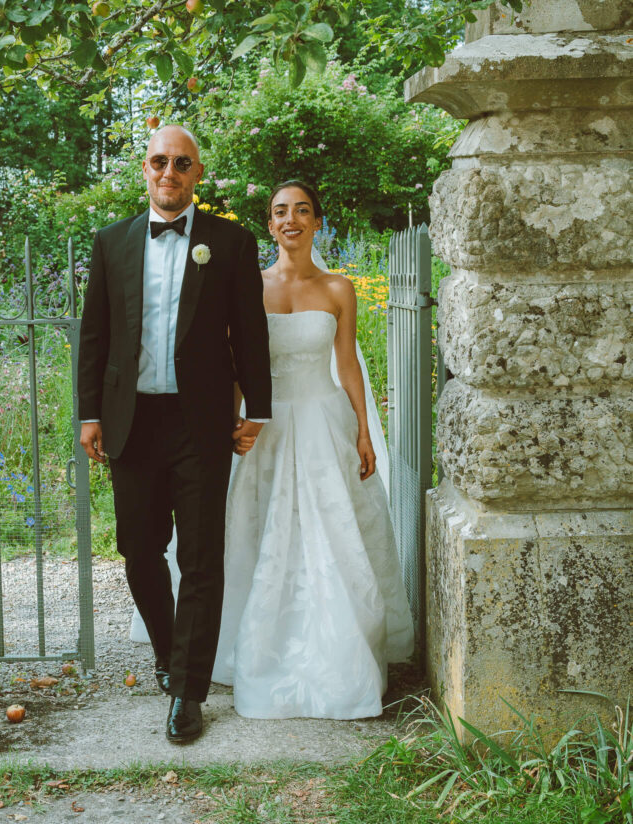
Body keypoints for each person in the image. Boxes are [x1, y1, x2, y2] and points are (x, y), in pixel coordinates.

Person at [132, 179, 414, 719]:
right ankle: (245, 645)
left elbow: (348, 363)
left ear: (317, 222)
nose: (291, 220)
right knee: (256, 533)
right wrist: (234, 417)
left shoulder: (339, 289)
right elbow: (236, 362)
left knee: (330, 536)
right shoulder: (249, 283)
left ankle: (339, 652)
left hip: (322, 422)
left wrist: (362, 428)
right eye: (281, 212)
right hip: (265, 426)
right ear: (270, 224)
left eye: (302, 211)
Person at [77, 125, 272, 744]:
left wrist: (258, 409)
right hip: (132, 421)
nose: (169, 172)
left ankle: (189, 691)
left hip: (201, 423)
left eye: (181, 163)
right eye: (160, 161)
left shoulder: (231, 243)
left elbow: (249, 332)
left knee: (200, 558)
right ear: (145, 168)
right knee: (138, 550)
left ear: (197, 173)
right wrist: (89, 413)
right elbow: (95, 336)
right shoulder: (112, 242)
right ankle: (168, 652)